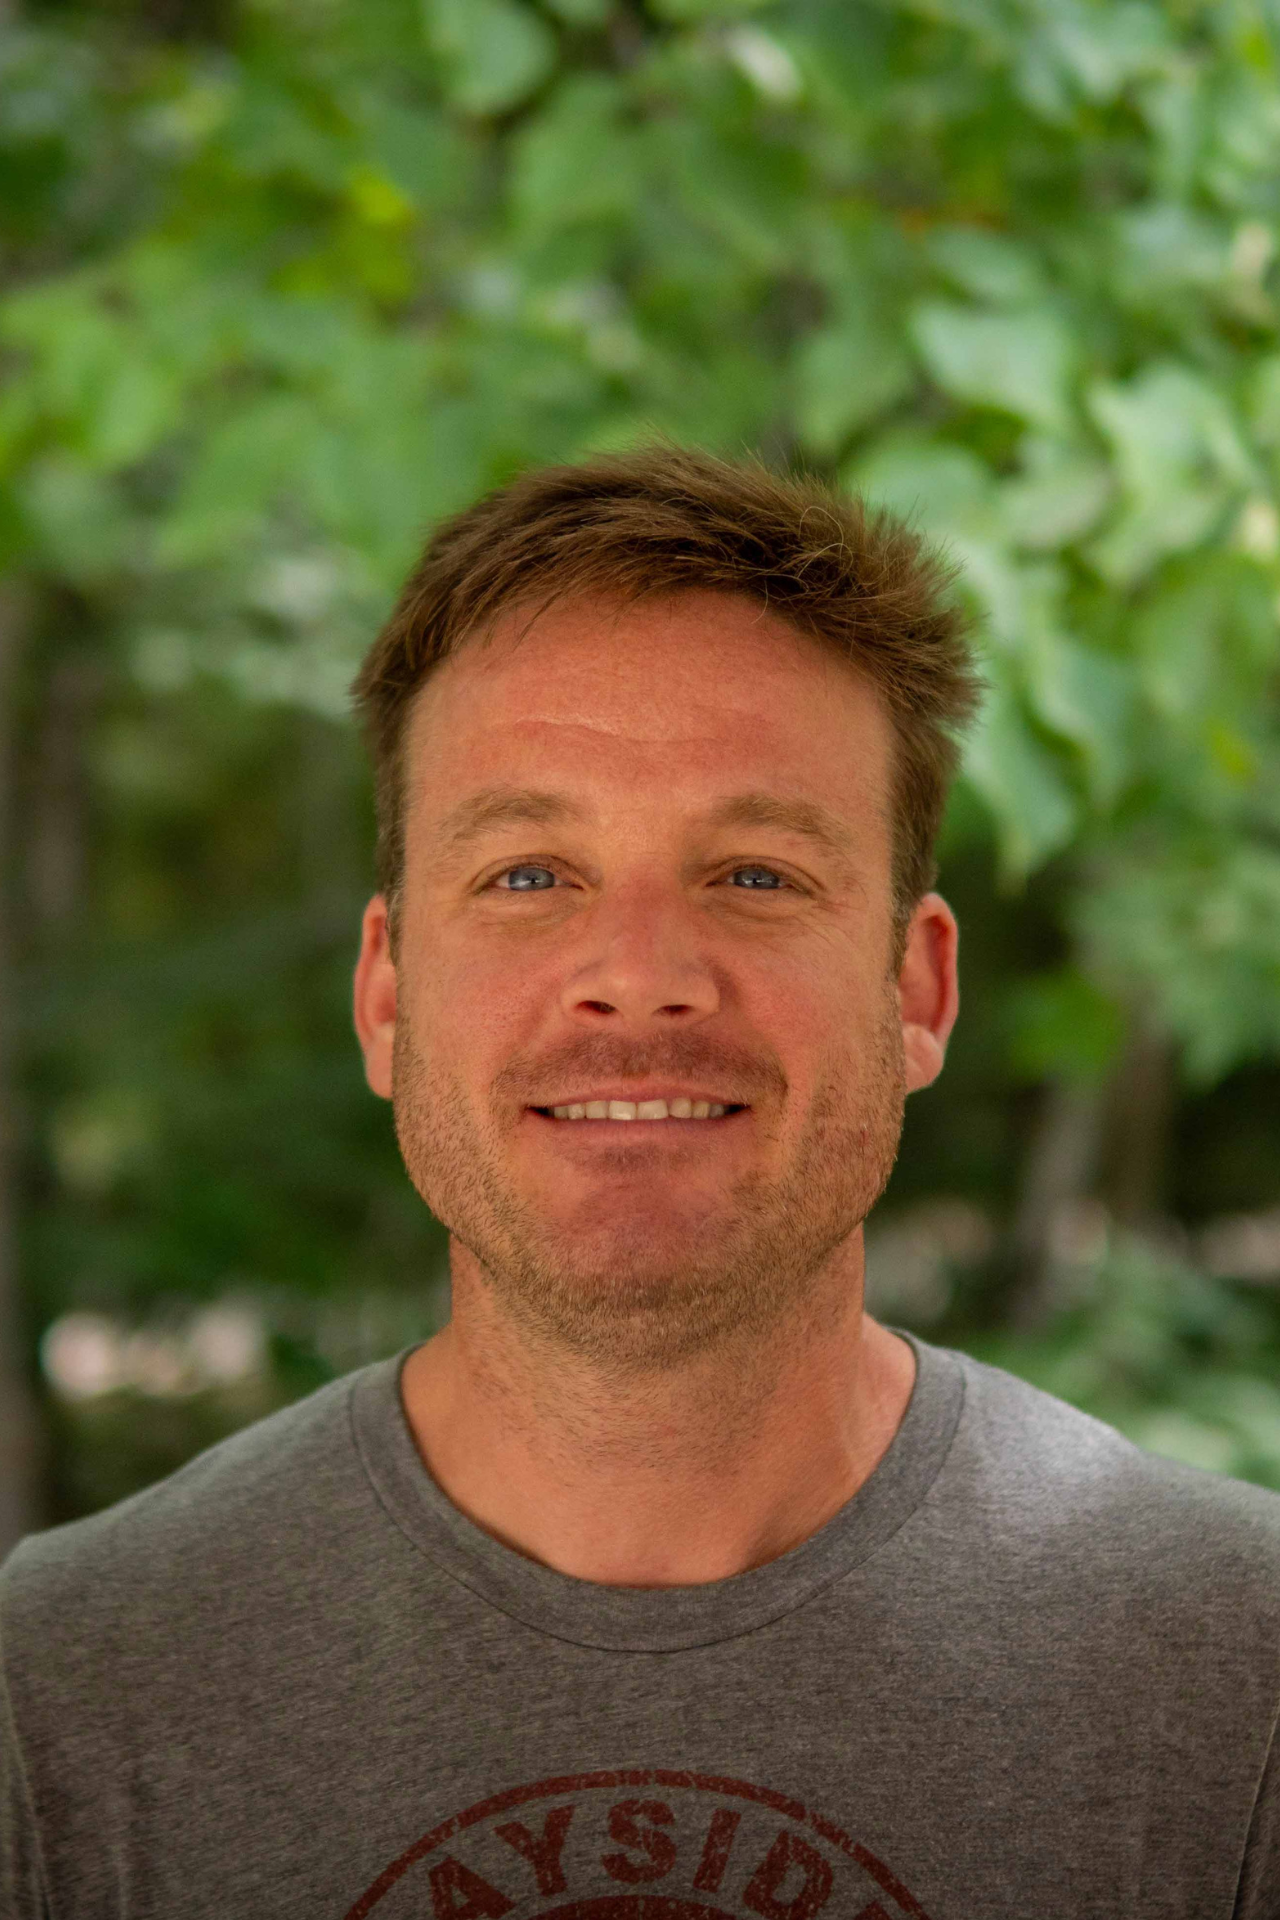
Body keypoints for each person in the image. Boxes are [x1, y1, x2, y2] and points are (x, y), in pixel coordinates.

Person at [2, 446, 1278, 1920]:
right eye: (529, 875)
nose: (640, 976)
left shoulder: (1241, 1682)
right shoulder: (58, 1699)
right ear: (387, 997)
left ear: (917, 991)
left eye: (756, 875)